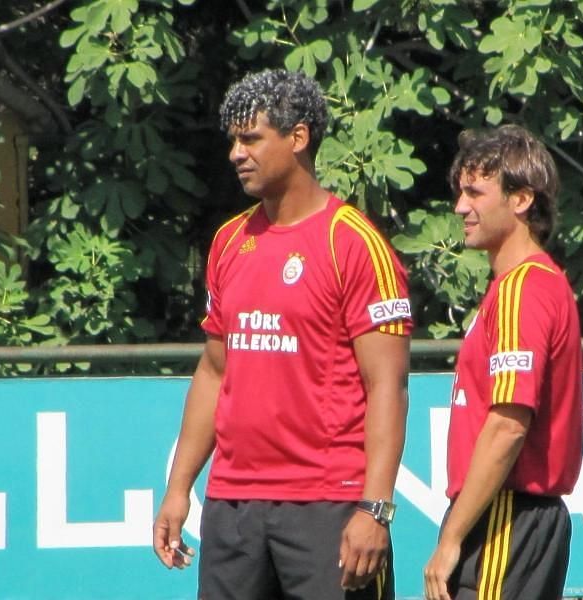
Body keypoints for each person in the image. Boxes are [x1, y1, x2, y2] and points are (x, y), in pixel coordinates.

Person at [152, 68, 412, 600]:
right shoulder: (228, 241)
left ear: (298, 139)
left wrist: (376, 508)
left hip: (328, 504)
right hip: (233, 507)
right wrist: (179, 489)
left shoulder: (354, 242)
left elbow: (388, 385)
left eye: (251, 139)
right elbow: (213, 370)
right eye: (233, 140)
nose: (235, 154)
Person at [424, 124, 583, 600]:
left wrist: (452, 536)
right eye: (460, 192)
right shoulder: (526, 285)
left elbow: (509, 424)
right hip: (511, 518)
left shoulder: (522, 288)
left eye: (475, 192)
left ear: (521, 200)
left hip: (505, 518)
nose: (460, 207)